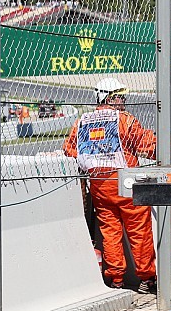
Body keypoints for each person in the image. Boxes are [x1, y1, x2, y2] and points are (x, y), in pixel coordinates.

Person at [63, 77, 158, 293]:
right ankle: (146, 278)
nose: (122, 100)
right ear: (108, 97)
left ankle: (116, 278)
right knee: (139, 230)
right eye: (118, 96)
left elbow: (69, 149)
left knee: (109, 231)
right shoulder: (124, 120)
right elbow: (146, 145)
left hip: (98, 184)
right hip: (126, 182)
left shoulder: (83, 122)